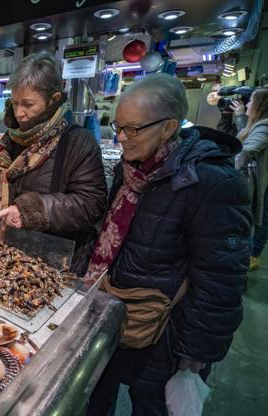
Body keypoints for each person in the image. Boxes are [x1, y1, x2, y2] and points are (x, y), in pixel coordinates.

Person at [85, 73, 251, 415]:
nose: (120, 138)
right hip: (115, 313)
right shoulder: (131, 168)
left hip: (165, 336)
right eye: (118, 126)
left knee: (151, 406)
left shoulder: (212, 183)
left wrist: (192, 357)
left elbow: (220, 279)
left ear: (168, 127)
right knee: (95, 395)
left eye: (132, 129)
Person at [0, 53, 107, 274]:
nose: (19, 113)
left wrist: (31, 210)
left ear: (54, 99)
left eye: (28, 104)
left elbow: (91, 203)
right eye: (15, 102)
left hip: (52, 260)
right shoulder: (11, 138)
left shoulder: (77, 141)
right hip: (7, 255)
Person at [235, 88, 268, 270]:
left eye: (251, 101)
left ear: (260, 106)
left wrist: (231, 170)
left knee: (255, 220)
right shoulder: (258, 124)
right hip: (260, 181)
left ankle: (250, 257)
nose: (247, 104)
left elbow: (247, 149)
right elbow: (247, 138)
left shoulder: (265, 126)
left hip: (260, 184)